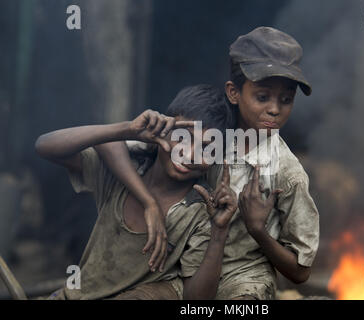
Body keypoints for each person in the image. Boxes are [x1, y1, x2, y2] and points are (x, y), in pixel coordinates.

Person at [96, 26, 320, 300]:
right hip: (178, 271)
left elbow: (301, 271)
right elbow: (117, 145)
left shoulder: (287, 174)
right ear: (233, 93)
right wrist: (148, 201)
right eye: (262, 97)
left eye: (286, 100)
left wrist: (258, 230)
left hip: (241, 278)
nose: (275, 109)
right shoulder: (201, 130)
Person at [36, 84, 237, 300]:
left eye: (206, 148)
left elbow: (196, 301)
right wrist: (127, 129)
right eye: (183, 138)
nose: (189, 154)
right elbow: (45, 146)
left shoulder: (199, 211)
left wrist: (219, 233)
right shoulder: (122, 173)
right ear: (164, 129)